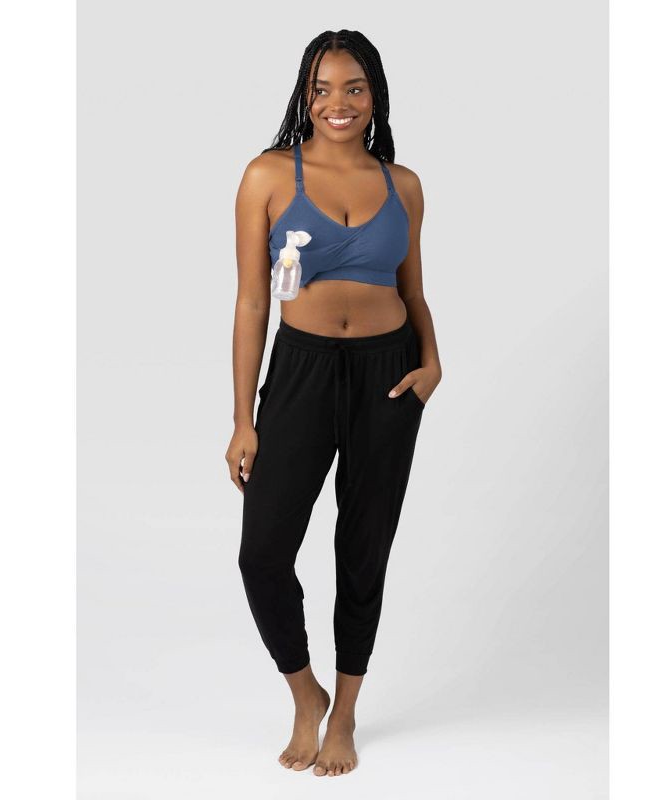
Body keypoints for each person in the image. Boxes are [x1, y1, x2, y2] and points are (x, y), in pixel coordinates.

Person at [226, 29, 442, 777]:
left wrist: (432, 363)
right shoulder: (267, 175)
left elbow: (413, 291)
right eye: (321, 89)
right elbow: (253, 302)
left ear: (374, 95)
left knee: (364, 545)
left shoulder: (403, 184)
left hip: (389, 376)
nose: (337, 103)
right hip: (301, 371)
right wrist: (243, 418)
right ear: (304, 96)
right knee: (262, 554)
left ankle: (345, 711)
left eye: (353, 88)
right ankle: (305, 693)